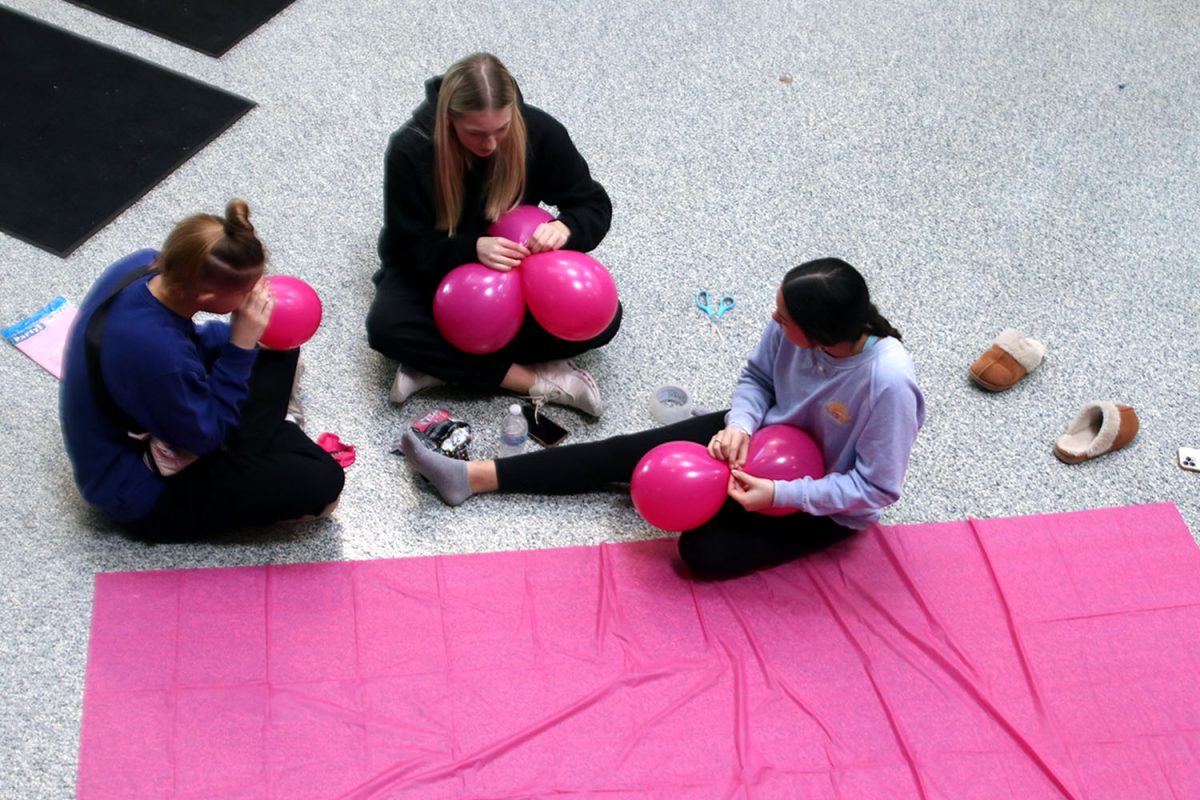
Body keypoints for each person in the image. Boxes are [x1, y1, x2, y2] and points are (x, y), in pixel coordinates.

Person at [402, 258, 925, 579]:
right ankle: (471, 477)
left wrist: (782, 497)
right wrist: (740, 425)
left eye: (783, 318)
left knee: (702, 554)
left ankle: (726, 496)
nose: (773, 320)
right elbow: (759, 380)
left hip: (821, 499)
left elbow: (876, 488)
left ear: (820, 333)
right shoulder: (793, 328)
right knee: (627, 454)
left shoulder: (888, 381)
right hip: (759, 438)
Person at [59, 200, 345, 542]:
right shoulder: (161, 359)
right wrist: (240, 346)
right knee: (325, 483)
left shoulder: (144, 265)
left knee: (278, 345)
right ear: (207, 294)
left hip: (158, 405)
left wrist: (245, 338)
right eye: (245, 292)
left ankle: (271, 434)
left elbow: (187, 340)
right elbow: (203, 435)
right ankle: (270, 438)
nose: (253, 296)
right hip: (136, 490)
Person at [366, 52, 620, 416]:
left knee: (604, 322)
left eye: (501, 130)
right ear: (449, 120)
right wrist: (472, 248)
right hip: (440, 268)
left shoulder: (539, 130)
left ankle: (440, 366)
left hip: (519, 275)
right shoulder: (413, 149)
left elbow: (593, 204)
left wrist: (567, 227)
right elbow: (404, 250)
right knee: (387, 328)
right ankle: (536, 382)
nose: (490, 145)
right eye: (475, 133)